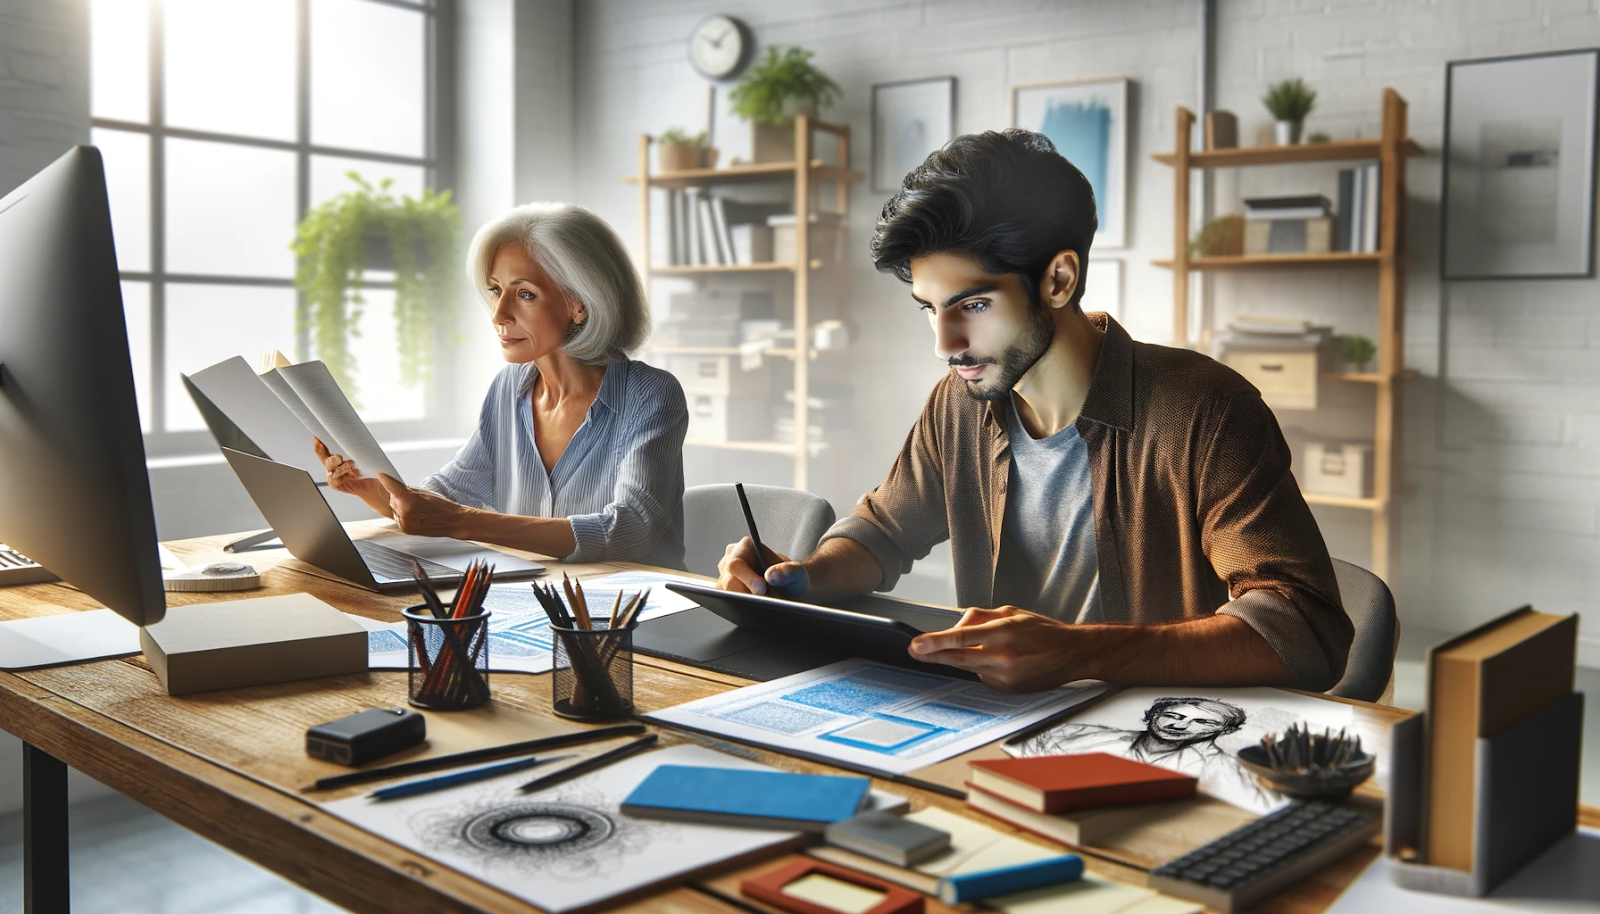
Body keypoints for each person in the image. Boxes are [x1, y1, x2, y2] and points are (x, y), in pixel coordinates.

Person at [717, 129, 1351, 692]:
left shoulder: (1206, 411)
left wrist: (1080, 652)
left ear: (1058, 280)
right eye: (930, 309)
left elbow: (1305, 628)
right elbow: (884, 531)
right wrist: (799, 579)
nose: (945, 344)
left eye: (973, 305)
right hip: (992, 723)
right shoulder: (961, 403)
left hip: (1158, 739)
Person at [316, 203, 688, 568]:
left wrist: (461, 521)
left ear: (579, 305)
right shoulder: (509, 388)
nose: (498, 314)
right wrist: (375, 491)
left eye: (524, 293)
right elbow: (447, 496)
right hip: (535, 606)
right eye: (496, 290)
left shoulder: (651, 394)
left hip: (638, 617)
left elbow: (632, 529)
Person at [1014, 697, 1278, 811]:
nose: (1179, 725)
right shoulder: (1075, 734)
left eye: (1202, 722)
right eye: (1173, 715)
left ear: (1222, 731)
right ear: (1154, 715)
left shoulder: (1224, 770)